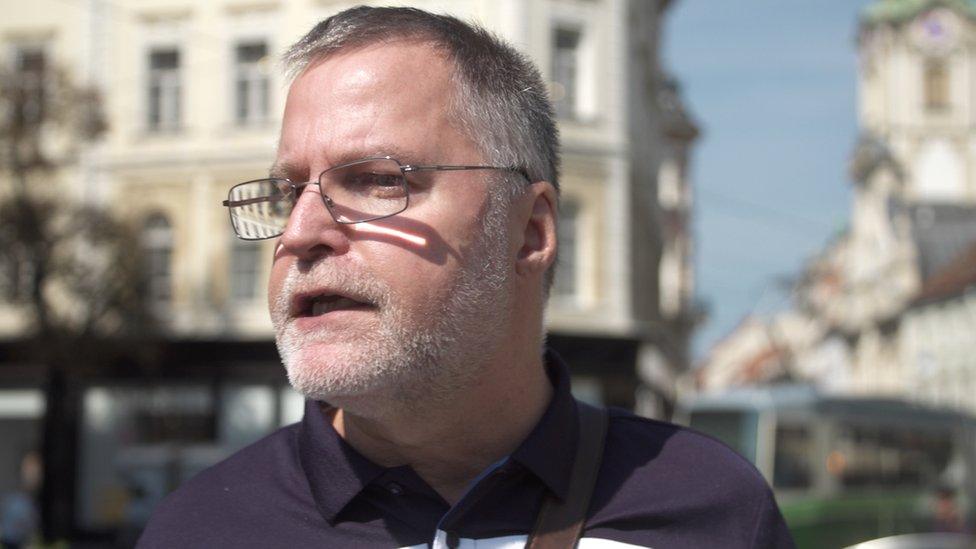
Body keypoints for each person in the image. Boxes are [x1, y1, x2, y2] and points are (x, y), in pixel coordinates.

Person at [138, 6, 794, 548]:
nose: (301, 231)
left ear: (530, 231)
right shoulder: (199, 529)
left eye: (375, 180)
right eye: (287, 191)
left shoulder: (710, 509)